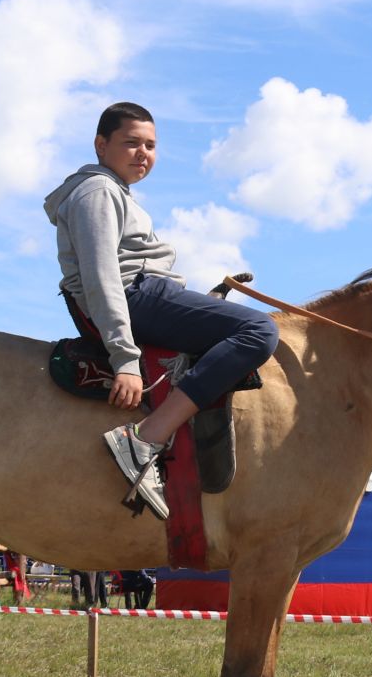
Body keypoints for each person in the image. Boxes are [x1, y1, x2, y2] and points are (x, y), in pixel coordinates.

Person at [44, 102, 280, 517]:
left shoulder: (113, 192)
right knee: (259, 331)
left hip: (144, 293)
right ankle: (146, 438)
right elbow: (103, 279)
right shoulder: (97, 192)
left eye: (151, 146)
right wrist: (126, 360)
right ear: (101, 145)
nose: (143, 154)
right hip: (136, 297)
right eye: (131, 143)